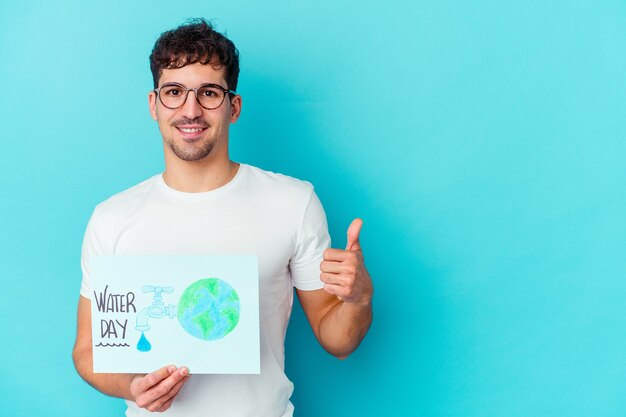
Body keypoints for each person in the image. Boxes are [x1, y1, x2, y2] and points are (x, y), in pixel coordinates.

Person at [72, 18, 373, 416]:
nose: (191, 110)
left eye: (209, 92)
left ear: (234, 106)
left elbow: (337, 340)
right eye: (174, 92)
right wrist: (132, 385)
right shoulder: (112, 218)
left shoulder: (292, 202)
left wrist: (358, 297)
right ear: (154, 105)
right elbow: (88, 350)